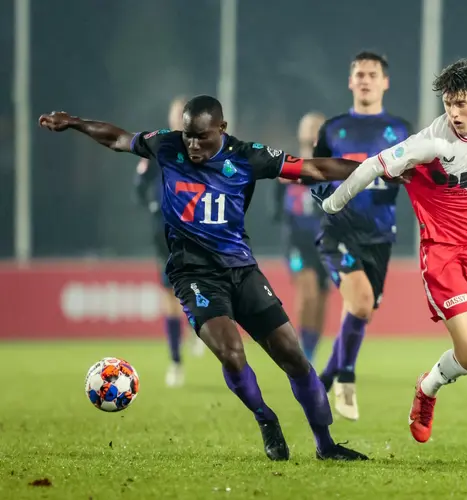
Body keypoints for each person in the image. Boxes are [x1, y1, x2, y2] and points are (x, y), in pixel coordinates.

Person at [38, 95, 369, 461]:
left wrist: (375, 167)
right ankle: (265, 417)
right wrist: (75, 122)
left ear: (222, 129)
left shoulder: (246, 155)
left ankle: (326, 444)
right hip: (192, 272)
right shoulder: (167, 145)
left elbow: (314, 169)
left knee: (293, 356)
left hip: (241, 269)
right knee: (231, 353)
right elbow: (118, 139)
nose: (193, 145)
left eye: (202, 137)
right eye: (188, 136)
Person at [321, 59, 467, 464]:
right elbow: (370, 166)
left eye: (462, 104)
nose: (453, 113)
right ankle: (428, 388)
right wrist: (332, 203)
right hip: (443, 252)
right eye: (448, 104)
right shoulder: (431, 142)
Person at [311, 51, 411, 421]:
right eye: (359, 74)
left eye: (372, 74)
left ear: (385, 82)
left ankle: (321, 380)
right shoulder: (333, 129)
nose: (365, 80)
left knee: (361, 310)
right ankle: (345, 380)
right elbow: (315, 175)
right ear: (350, 82)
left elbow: (416, 178)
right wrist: (325, 201)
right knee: (362, 301)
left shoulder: (401, 130)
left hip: (380, 235)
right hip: (338, 231)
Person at [134, 96, 205, 388]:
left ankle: (199, 328)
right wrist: (151, 202)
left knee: (195, 287)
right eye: (176, 114)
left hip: (197, 231)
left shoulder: (203, 148)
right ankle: (176, 361)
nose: (180, 118)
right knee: (169, 295)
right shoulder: (158, 148)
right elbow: (139, 186)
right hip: (163, 231)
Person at [274, 112, 329, 362]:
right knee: (307, 293)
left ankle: (311, 350)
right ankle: (301, 354)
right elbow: (274, 207)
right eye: (308, 128)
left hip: (326, 243)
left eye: (317, 128)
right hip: (297, 241)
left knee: (320, 298)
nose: (312, 133)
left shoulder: (332, 170)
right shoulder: (288, 166)